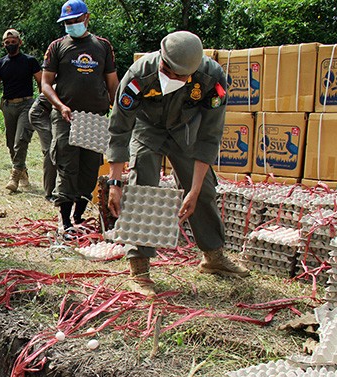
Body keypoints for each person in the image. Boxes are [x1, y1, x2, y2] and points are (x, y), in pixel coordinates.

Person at [106, 30, 250, 297]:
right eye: (168, 72)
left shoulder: (212, 80)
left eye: (181, 77)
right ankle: (139, 267)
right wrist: (115, 182)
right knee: (144, 188)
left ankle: (213, 256)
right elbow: (119, 127)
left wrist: (193, 191)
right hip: (147, 128)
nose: (172, 79)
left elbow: (210, 136)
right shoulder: (139, 76)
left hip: (186, 130)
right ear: (162, 61)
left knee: (204, 190)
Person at [41, 0, 118, 233]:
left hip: (94, 118)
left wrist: (119, 111)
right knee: (66, 166)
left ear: (86, 18)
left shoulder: (102, 46)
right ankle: (64, 221)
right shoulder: (57, 47)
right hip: (67, 117)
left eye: (75, 21)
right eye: (67, 22)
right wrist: (60, 105)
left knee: (89, 168)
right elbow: (45, 84)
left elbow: (112, 82)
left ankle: (79, 216)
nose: (71, 25)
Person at [0, 29, 42, 193]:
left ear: (20, 42)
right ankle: (22, 171)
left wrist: (42, 104)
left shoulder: (30, 61)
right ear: (3, 44)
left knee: (21, 140)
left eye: (13, 41)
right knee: (11, 144)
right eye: (7, 42)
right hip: (8, 106)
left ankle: (14, 176)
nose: (10, 45)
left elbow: (41, 82)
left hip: (27, 104)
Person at [29, 93, 55, 201]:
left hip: (52, 112)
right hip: (40, 113)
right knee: (51, 150)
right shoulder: (69, 80)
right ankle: (50, 193)